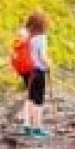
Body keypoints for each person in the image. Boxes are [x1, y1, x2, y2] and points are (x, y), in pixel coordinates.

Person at [20, 9, 52, 138]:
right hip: (38, 71)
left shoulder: (24, 34)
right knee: (38, 100)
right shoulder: (41, 38)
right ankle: (37, 128)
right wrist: (49, 65)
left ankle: (27, 125)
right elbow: (42, 57)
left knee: (30, 97)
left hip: (27, 71)